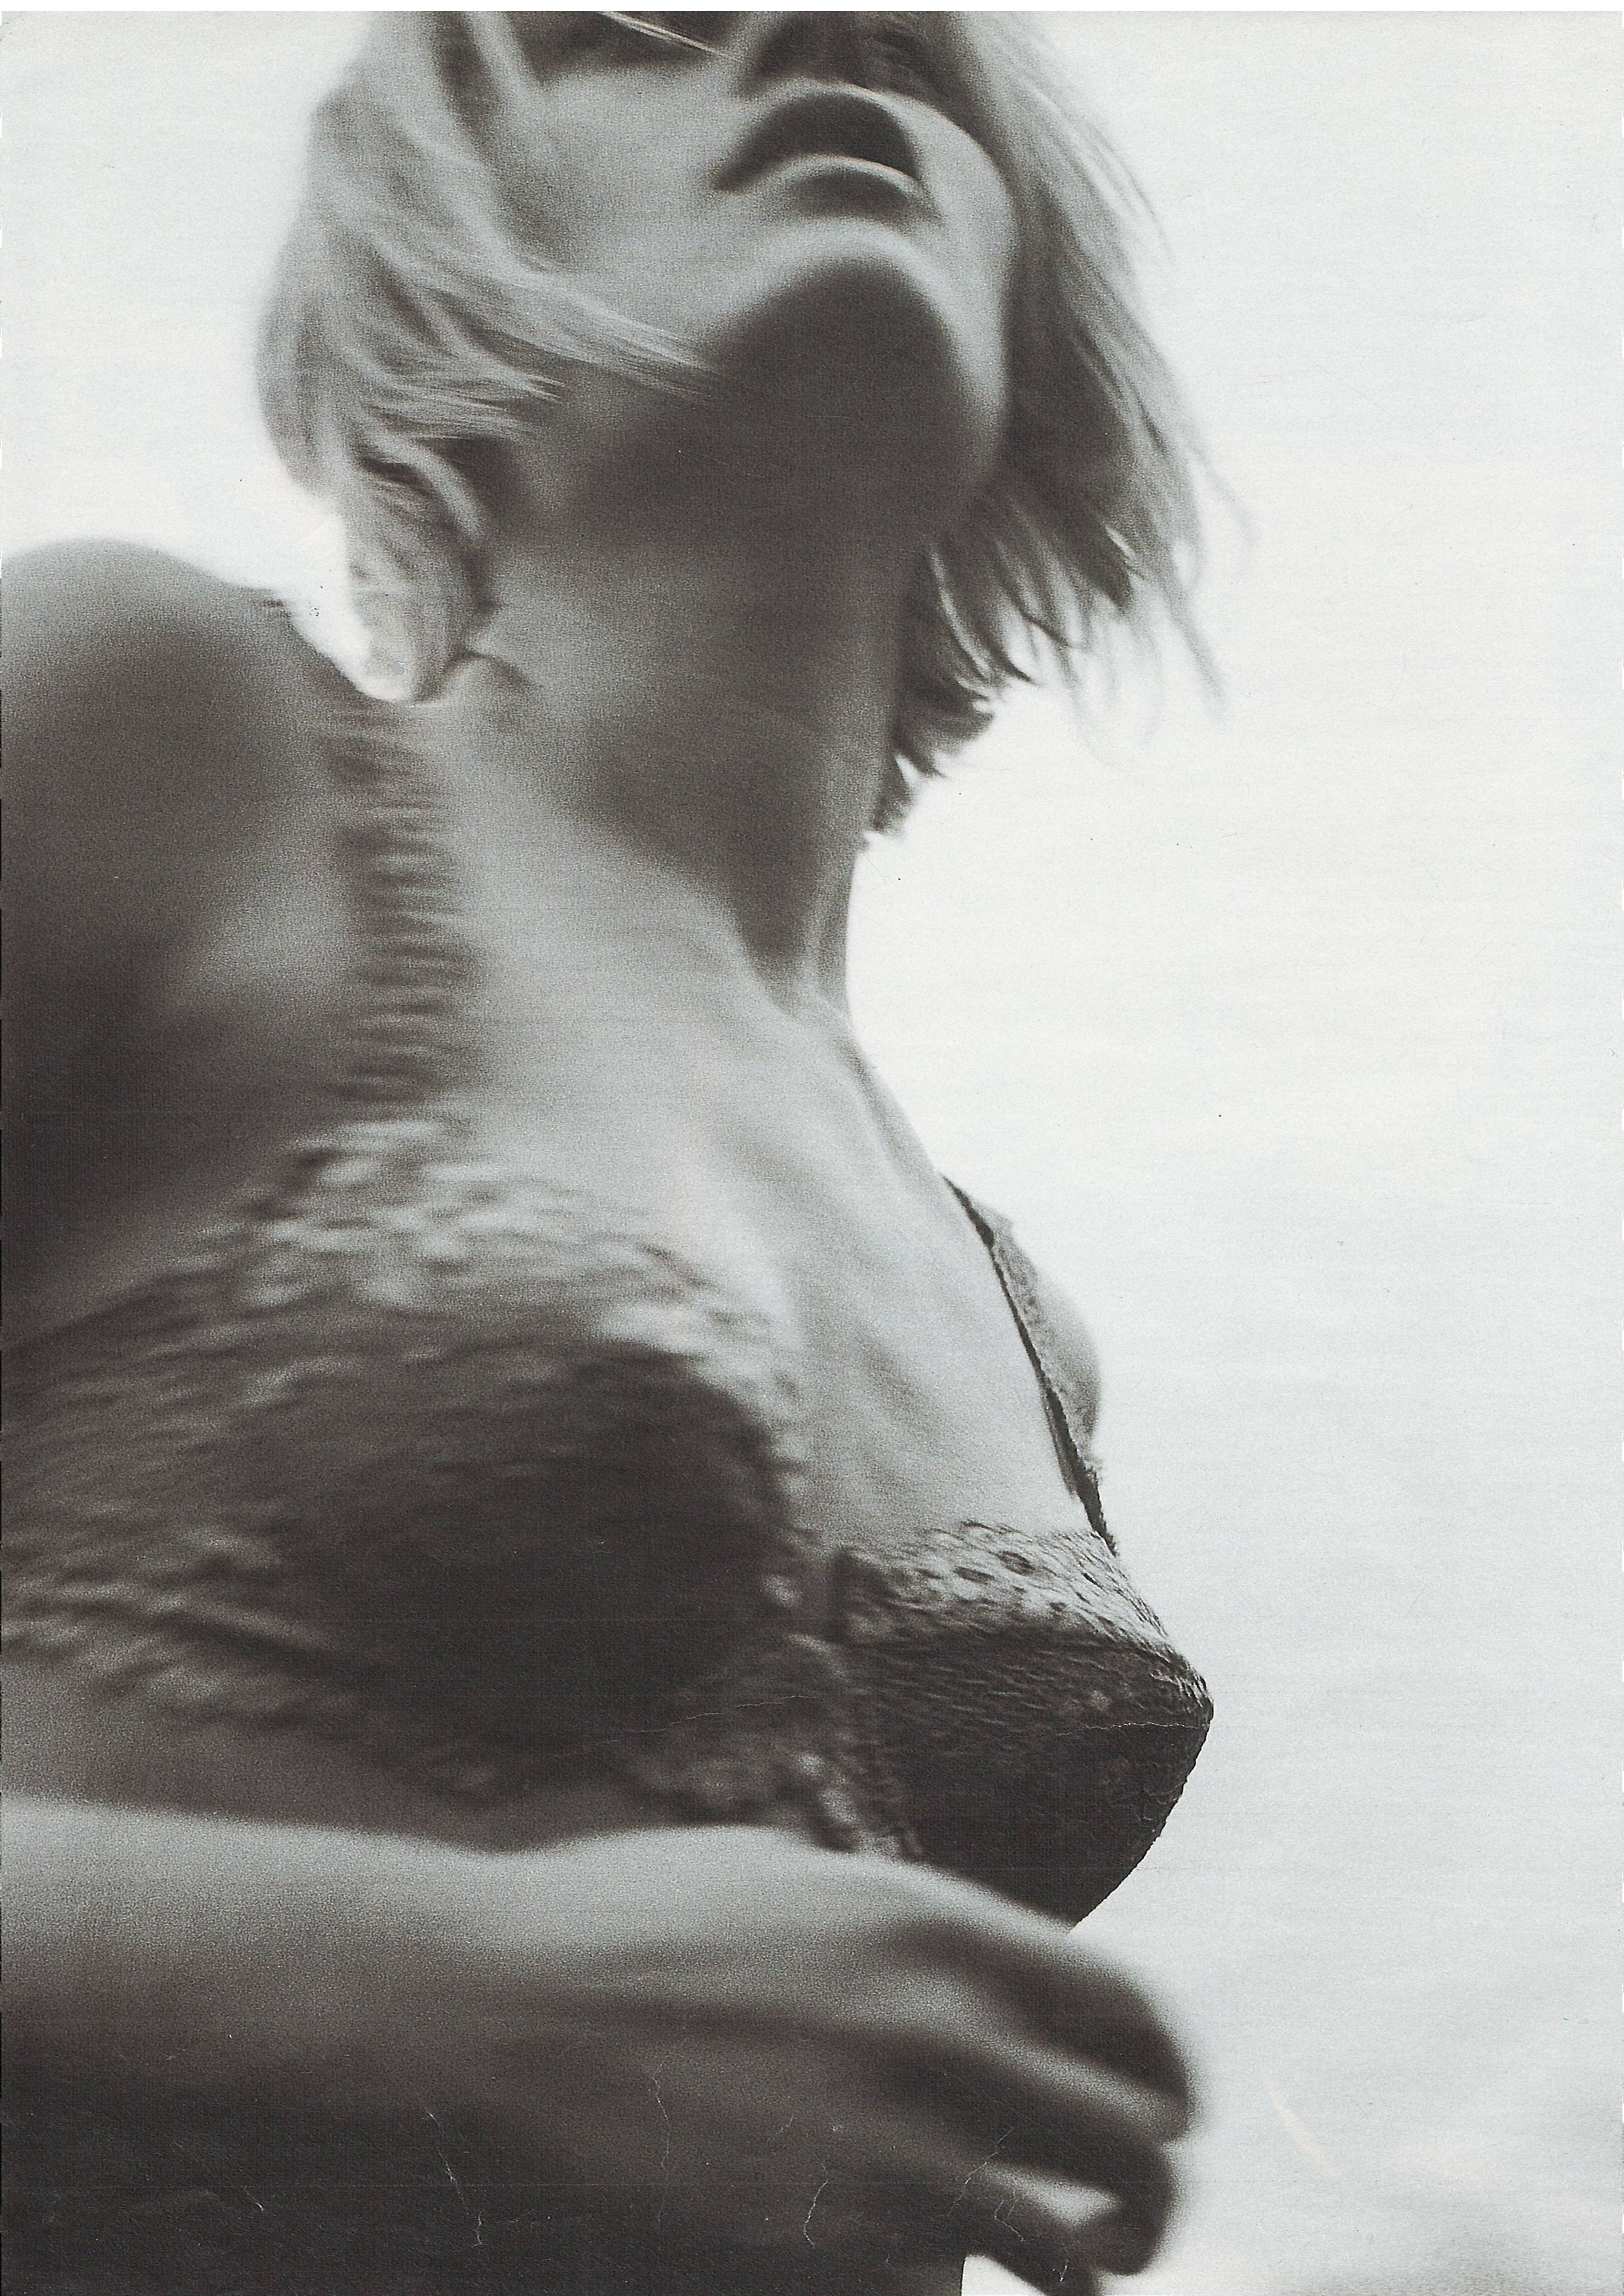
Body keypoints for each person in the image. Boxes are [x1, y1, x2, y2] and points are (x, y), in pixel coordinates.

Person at [5, 14, 1213, 2293]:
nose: (790, 45)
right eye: (618, 35)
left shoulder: (1022, 1321)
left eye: (895, 53)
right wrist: (454, 1979)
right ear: (427, 258)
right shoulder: (150, 730)